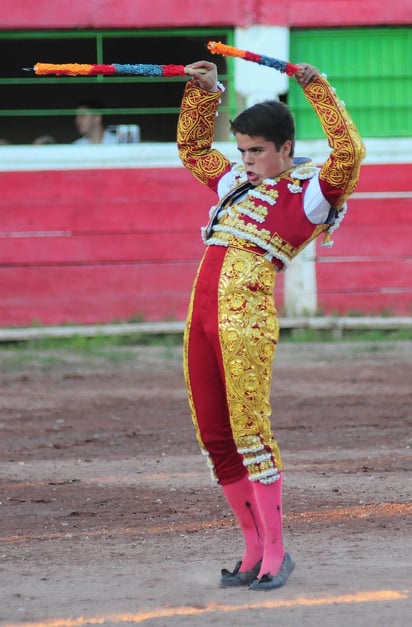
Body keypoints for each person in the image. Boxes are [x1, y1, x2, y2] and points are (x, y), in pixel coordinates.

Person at [177, 60, 365, 591]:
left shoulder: (309, 192)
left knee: (249, 430)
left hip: (247, 316)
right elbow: (193, 151)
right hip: (202, 311)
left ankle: (277, 553)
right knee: (215, 434)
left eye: (257, 150)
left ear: (285, 147)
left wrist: (319, 90)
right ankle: (252, 548)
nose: (247, 160)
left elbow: (349, 153)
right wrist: (204, 93)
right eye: (242, 150)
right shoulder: (236, 180)